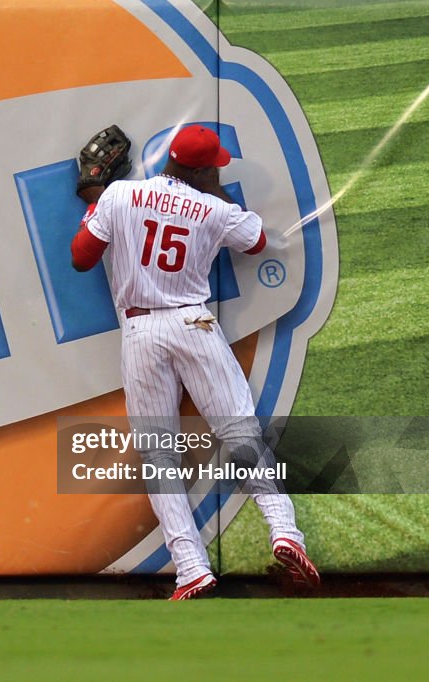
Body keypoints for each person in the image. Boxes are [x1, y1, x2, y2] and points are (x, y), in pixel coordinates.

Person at [70, 124, 320, 600]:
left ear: (169, 158)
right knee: (240, 431)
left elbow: (82, 257)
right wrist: (212, 191)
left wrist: (94, 198)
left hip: (141, 331)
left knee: (159, 455)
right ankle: (284, 531)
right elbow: (257, 243)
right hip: (194, 324)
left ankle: (190, 568)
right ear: (203, 169)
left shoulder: (120, 194)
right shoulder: (214, 209)